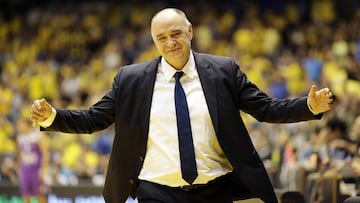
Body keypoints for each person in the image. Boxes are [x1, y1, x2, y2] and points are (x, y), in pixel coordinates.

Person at [30, 8, 334, 203]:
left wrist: (309, 106)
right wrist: (52, 117)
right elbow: (94, 119)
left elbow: (266, 109)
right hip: (156, 191)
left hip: (215, 189)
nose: (170, 42)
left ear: (190, 31)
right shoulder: (131, 79)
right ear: (154, 41)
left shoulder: (223, 71)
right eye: (161, 37)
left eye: (176, 33)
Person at [17, 117, 50, 203]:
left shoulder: (37, 136)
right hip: (26, 169)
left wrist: (43, 170)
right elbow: (21, 155)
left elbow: (45, 154)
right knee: (25, 194)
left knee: (40, 195)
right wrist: (20, 169)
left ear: (27, 125)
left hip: (36, 169)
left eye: (21, 124)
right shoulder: (20, 138)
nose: (19, 126)